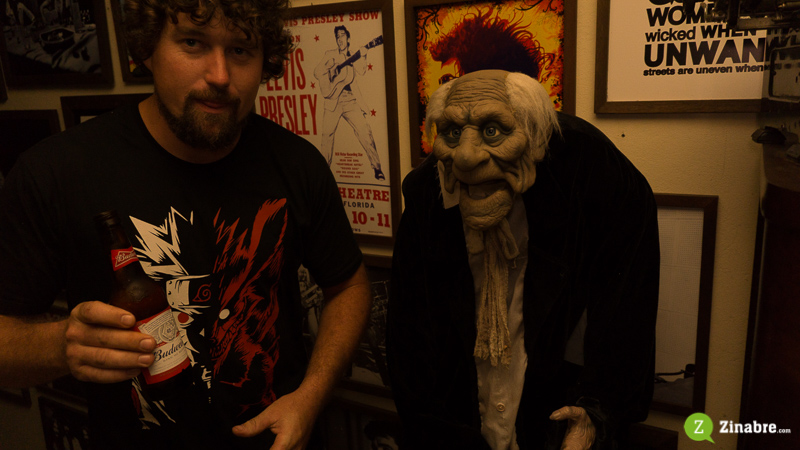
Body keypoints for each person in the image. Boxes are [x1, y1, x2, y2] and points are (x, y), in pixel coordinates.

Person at [0, 0, 373, 448]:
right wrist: (62, 345)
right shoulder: (54, 173)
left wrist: (311, 397)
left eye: (240, 50)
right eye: (192, 43)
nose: (220, 75)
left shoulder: (297, 163)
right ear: (148, 48)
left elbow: (349, 287)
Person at [386, 70, 660, 449]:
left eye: (492, 131)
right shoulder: (427, 198)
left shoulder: (594, 176)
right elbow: (409, 335)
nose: (465, 156)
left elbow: (627, 315)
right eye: (453, 133)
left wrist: (598, 412)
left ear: (534, 138)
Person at [313, 25, 385, 181]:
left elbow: (362, 71)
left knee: (365, 130)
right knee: (327, 136)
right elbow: (317, 72)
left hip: (349, 100)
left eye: (342, 36)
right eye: (337, 37)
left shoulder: (354, 55)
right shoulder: (330, 54)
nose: (340, 39)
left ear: (348, 38)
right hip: (332, 100)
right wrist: (329, 66)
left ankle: (377, 168)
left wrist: (363, 55)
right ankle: (323, 174)